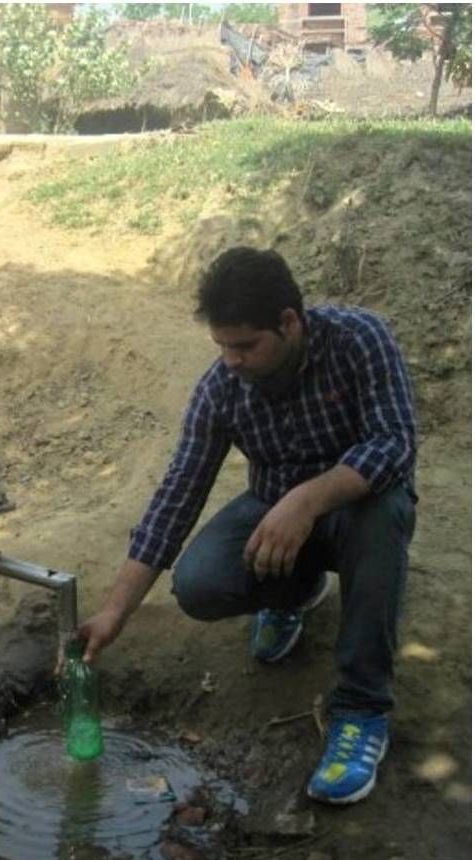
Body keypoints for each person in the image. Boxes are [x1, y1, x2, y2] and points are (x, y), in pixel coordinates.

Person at [78, 246, 417, 805]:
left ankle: (361, 710)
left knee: (384, 516)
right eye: (221, 347)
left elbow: (395, 444)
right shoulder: (221, 389)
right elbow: (176, 497)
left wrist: (308, 499)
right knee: (199, 581)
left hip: (360, 506)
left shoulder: (360, 339)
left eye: (244, 346)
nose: (231, 361)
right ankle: (295, 590)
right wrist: (114, 614)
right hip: (274, 510)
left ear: (289, 322)